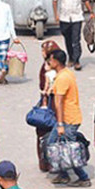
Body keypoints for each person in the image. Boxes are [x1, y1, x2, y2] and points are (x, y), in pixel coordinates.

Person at [47, 49, 91, 187]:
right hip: (68, 117)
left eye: (51, 59)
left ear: (56, 61)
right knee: (53, 142)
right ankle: (63, 174)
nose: (49, 62)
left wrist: (60, 124)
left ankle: (83, 177)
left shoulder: (62, 78)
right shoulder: (65, 74)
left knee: (69, 150)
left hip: (68, 119)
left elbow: (59, 102)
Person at [52, 0, 92, 70]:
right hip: (64, 18)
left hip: (77, 17)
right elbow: (55, 0)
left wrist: (91, 12)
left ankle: (77, 60)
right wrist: (56, 15)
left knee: (76, 40)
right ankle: (70, 58)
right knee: (68, 39)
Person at [36, 41, 62, 172]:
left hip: (50, 104)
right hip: (56, 106)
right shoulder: (59, 69)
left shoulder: (47, 68)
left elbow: (43, 88)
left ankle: (48, 162)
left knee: (45, 133)